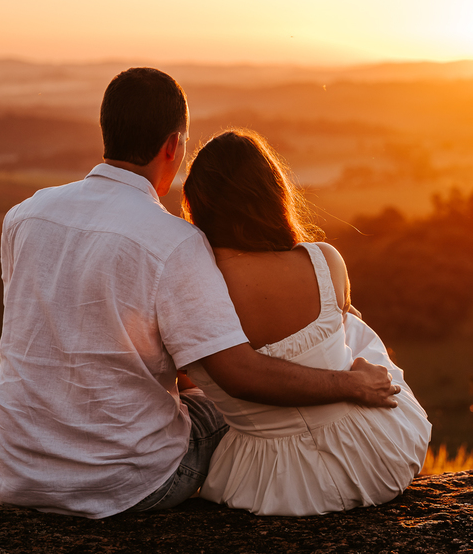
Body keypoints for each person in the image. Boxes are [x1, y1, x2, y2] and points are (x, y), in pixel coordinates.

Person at [0, 68, 399, 519]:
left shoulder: (25, 216)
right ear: (173, 146)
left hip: (14, 471)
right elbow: (239, 375)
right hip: (126, 485)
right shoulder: (174, 242)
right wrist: (348, 384)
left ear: (108, 131)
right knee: (232, 413)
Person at [181, 129, 431, 516]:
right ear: (272, 195)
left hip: (264, 483)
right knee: (350, 322)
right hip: (374, 458)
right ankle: (358, 370)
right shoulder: (324, 260)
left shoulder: (197, 289)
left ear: (199, 204)